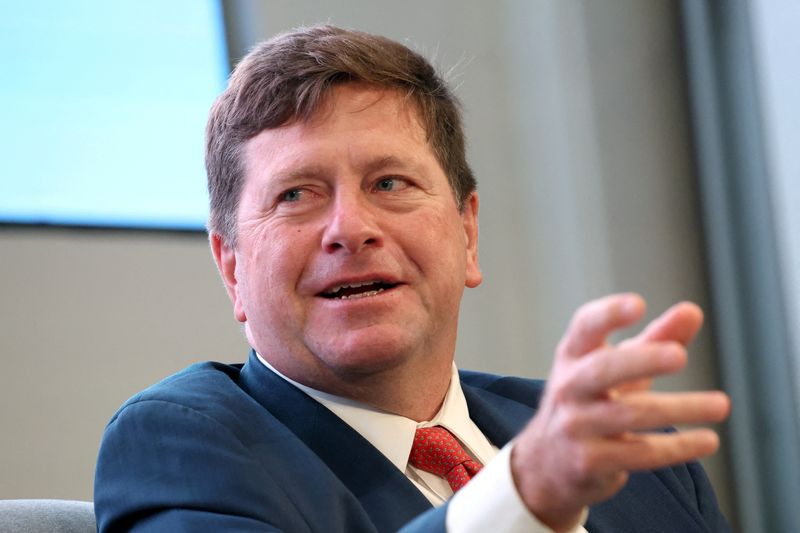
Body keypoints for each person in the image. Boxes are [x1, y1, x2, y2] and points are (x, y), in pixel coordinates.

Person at [94, 25, 731, 532]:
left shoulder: (618, 444)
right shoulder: (182, 446)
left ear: (467, 232)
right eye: (296, 195)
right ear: (232, 267)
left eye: (389, 183)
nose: (350, 228)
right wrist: (524, 497)